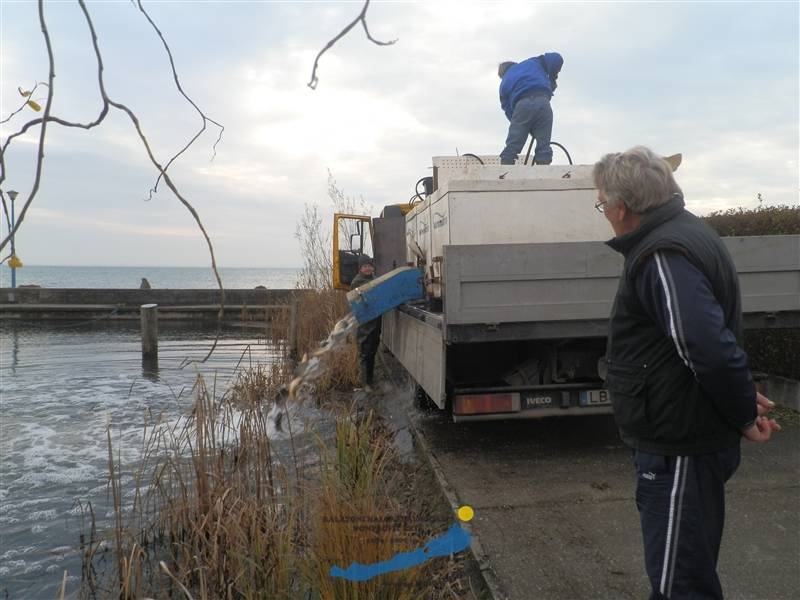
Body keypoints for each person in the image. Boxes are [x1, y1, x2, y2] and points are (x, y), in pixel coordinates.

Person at [593, 146, 781, 600]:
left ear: (621, 208)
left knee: (680, 583)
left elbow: (708, 349)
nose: (603, 213)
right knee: (683, 571)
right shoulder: (685, 234)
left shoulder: (661, 253)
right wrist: (740, 399)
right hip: (686, 435)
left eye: (601, 204)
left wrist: (740, 414)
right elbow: (703, 344)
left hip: (679, 447)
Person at [498, 52, 563, 166]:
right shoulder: (533, 62)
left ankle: (504, 172)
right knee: (543, 146)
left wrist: (524, 126)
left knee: (513, 145)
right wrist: (552, 80)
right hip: (543, 103)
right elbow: (557, 58)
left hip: (522, 105)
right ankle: (543, 171)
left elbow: (508, 110)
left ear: (503, 74)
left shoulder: (504, 83)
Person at [350, 255, 382, 392]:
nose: (368, 268)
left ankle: (371, 381)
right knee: (365, 353)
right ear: (360, 268)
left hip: (375, 323)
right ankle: (366, 384)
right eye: (365, 266)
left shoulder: (374, 279)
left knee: (373, 351)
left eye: (369, 266)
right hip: (365, 325)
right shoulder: (357, 282)